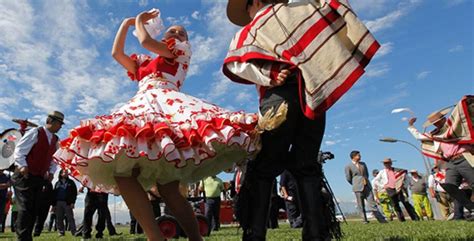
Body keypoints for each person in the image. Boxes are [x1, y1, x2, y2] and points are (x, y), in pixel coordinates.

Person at [53, 8, 258, 241]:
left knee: (169, 190)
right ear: (164, 36)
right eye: (173, 31)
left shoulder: (181, 51)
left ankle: (194, 238)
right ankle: (155, 237)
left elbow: (144, 40)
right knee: (124, 173)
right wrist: (126, 22)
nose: (178, 34)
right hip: (143, 106)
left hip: (168, 105)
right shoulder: (146, 62)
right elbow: (116, 54)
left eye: (182, 33)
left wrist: (139, 21)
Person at [223, 0, 379, 239]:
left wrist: (269, 74)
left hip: (279, 101)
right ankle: (316, 234)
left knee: (264, 166)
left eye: (247, 10)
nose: (248, 15)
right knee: (306, 164)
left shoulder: (250, 30)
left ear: (253, 2)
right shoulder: (302, 9)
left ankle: (255, 234)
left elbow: (236, 63)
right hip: (312, 95)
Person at [407, 103, 474, 211]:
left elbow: (466, 120)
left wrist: (465, 104)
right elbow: (419, 136)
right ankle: (471, 207)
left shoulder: (455, 127)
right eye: (434, 123)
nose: (436, 124)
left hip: (463, 158)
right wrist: (411, 126)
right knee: (449, 185)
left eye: (437, 122)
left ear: (443, 119)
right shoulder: (435, 134)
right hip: (451, 162)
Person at [12, 111, 64, 241]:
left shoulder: (55, 140)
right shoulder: (35, 132)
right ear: (50, 121)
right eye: (59, 123)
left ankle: (27, 235)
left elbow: (54, 159)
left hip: (39, 178)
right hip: (24, 175)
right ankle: (23, 238)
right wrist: (23, 165)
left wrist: (52, 172)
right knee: (25, 206)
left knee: (35, 207)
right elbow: (19, 150)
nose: (61, 126)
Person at [345, 151, 387, 223]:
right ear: (353, 156)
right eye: (358, 155)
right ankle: (364, 220)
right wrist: (355, 183)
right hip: (357, 187)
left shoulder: (363, 164)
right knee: (360, 205)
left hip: (367, 185)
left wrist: (365, 181)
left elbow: (366, 174)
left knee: (372, 203)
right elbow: (348, 178)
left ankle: (381, 219)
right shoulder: (348, 166)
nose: (360, 156)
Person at [52, 169, 77, 236]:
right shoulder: (57, 183)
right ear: (60, 174)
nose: (66, 173)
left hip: (67, 203)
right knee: (59, 218)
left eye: (66, 172)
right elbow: (54, 194)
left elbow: (74, 193)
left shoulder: (71, 182)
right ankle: (61, 232)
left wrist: (73, 202)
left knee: (70, 218)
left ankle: (74, 232)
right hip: (58, 202)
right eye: (64, 172)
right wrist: (53, 205)